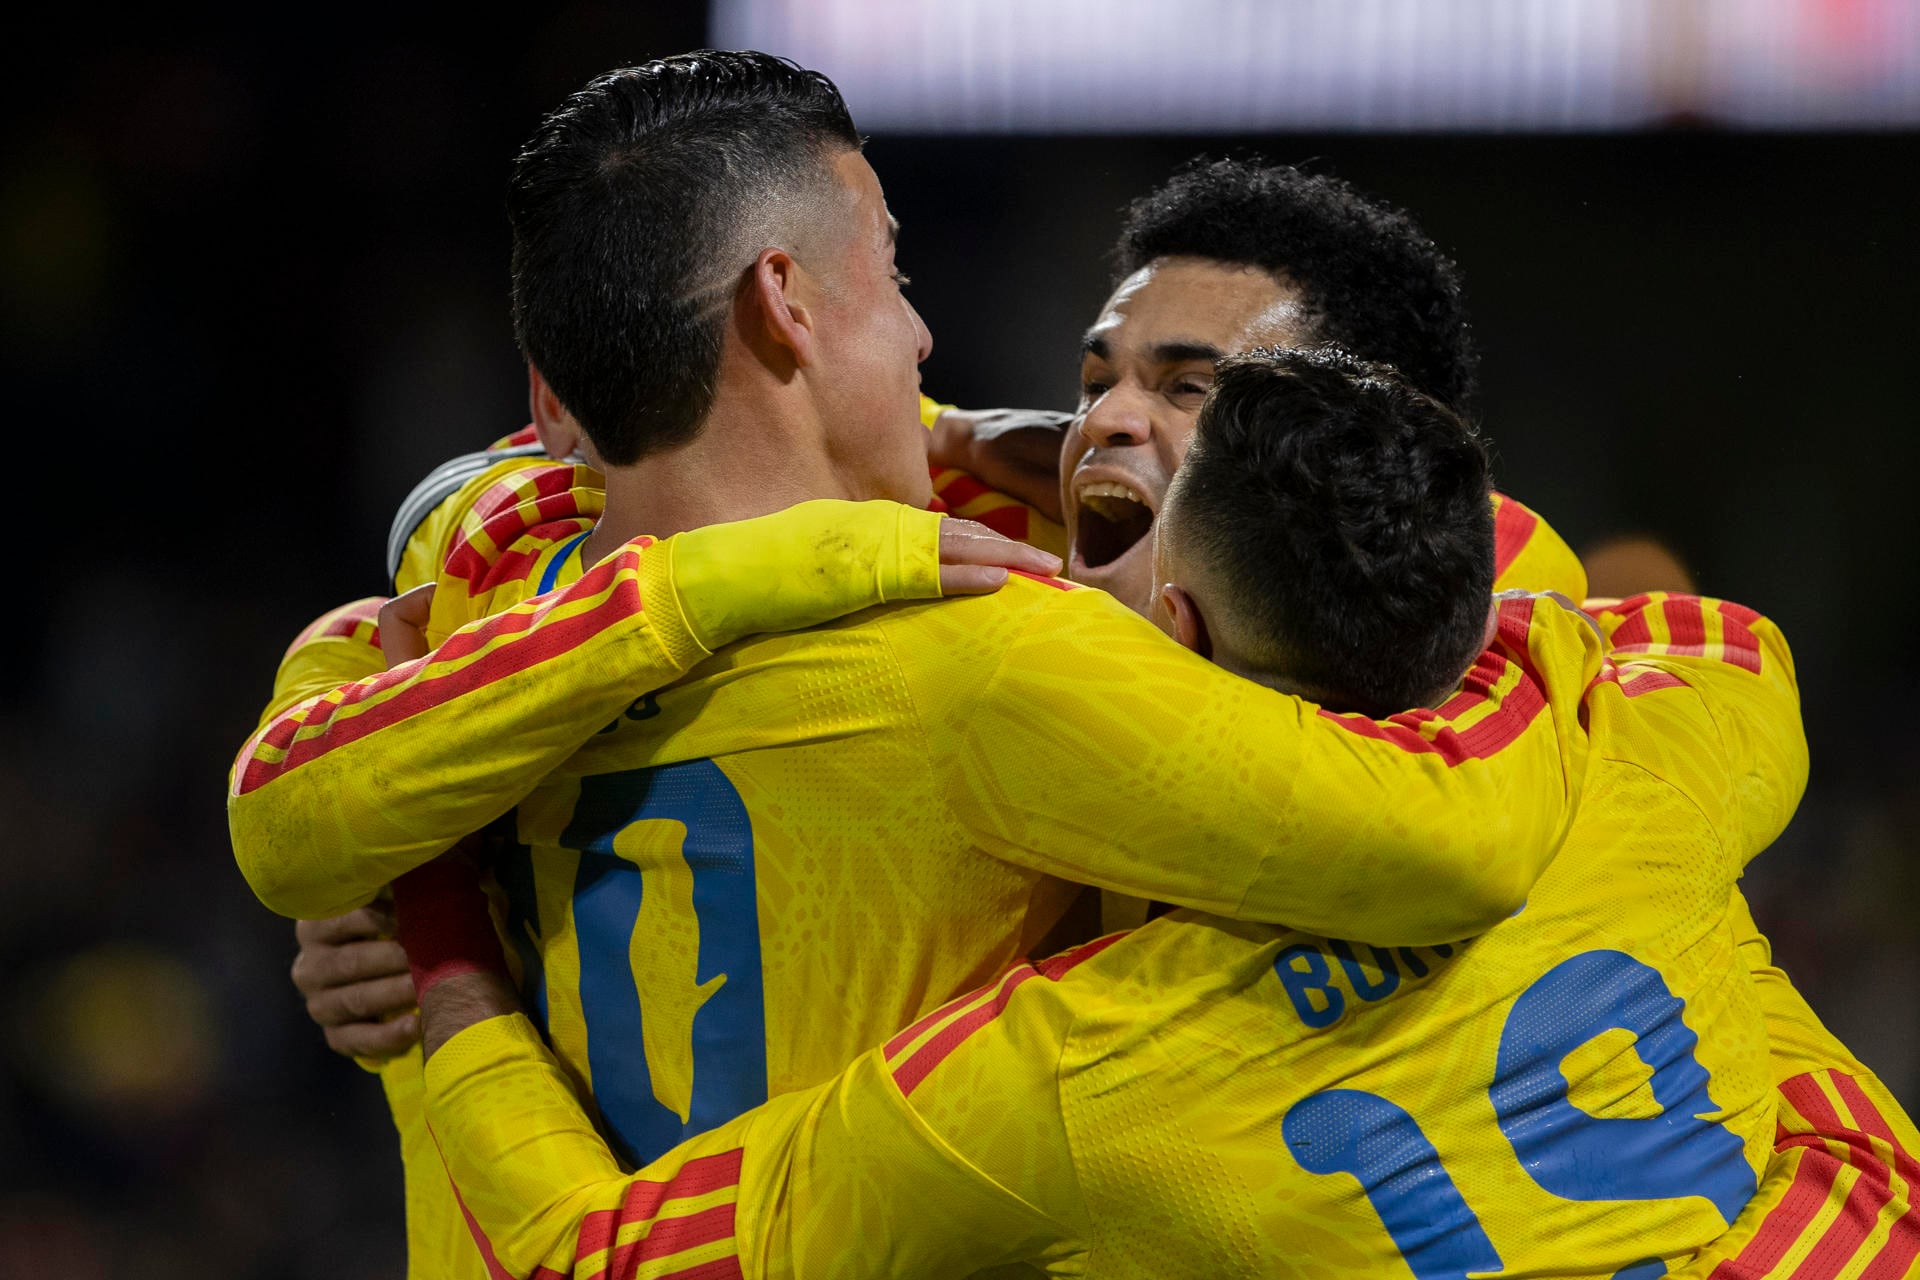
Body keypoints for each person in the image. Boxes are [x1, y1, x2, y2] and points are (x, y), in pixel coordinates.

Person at [397, 351, 1902, 1277]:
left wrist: (441, 939)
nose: (1065, 546)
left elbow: (592, 1265)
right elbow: (1706, 642)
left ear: (1176, 631)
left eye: (1113, 538)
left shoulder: (1088, 1071)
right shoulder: (1637, 746)